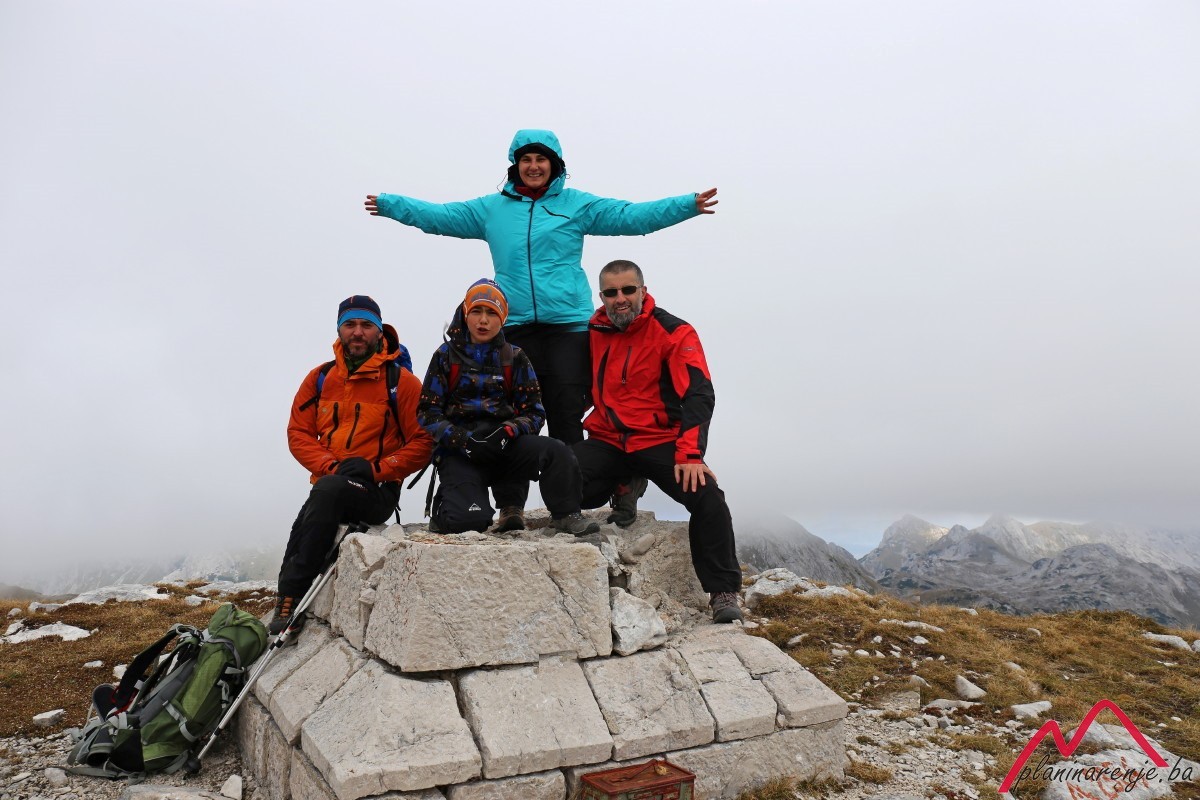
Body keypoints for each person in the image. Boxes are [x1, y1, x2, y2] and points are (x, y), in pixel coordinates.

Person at [365, 128, 716, 444]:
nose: (533, 166)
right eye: (526, 160)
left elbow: (631, 217)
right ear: (515, 165)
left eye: (541, 159)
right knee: (513, 415)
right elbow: (440, 217)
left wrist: (687, 205)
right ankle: (513, 493)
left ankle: (571, 492)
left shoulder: (576, 205)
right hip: (516, 326)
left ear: (555, 165)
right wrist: (391, 205)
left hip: (568, 327)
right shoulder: (492, 210)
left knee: (566, 414)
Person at [573, 260, 743, 623]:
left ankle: (723, 592)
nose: (620, 299)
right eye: (611, 292)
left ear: (643, 291)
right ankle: (626, 482)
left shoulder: (674, 331)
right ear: (601, 297)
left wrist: (691, 454)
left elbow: (698, 394)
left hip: (658, 440)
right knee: (566, 483)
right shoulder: (592, 331)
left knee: (708, 497)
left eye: (628, 290)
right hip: (609, 439)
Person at [275, 295, 434, 636]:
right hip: (332, 484)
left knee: (325, 492)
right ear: (339, 330)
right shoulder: (320, 378)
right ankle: (286, 598)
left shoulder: (402, 382)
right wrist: (330, 465)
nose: (357, 332)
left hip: (377, 491)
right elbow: (298, 433)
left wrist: (377, 470)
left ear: (379, 331)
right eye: (350, 324)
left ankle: (293, 595)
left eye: (366, 325)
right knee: (311, 512)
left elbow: (423, 442)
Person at [418, 278, 600, 536]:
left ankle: (566, 514)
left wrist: (506, 432)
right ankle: (446, 508)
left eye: (492, 313)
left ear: (502, 318)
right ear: (465, 314)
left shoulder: (514, 356)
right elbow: (427, 412)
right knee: (467, 522)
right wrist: (462, 440)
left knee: (557, 451)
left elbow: (534, 412)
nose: (483, 320)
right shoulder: (444, 356)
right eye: (477, 311)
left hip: (504, 445)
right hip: (462, 450)